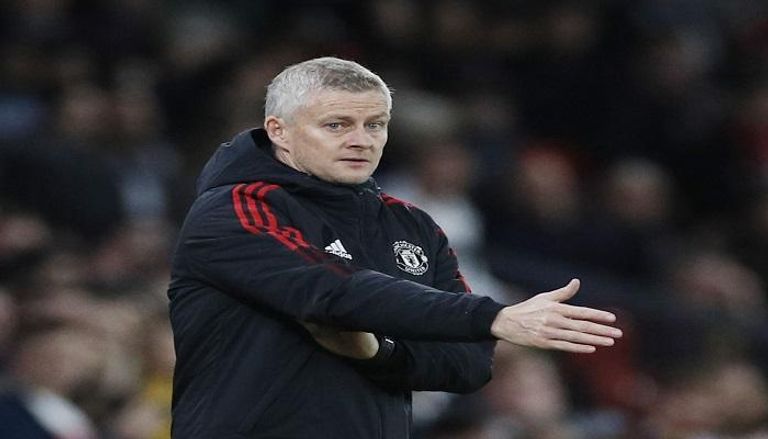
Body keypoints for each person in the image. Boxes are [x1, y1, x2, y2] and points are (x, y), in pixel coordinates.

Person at [167, 56, 622, 439]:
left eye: (375, 124)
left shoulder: (411, 224)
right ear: (279, 131)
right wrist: (492, 316)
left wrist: (379, 353)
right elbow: (331, 291)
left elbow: (467, 363)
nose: (361, 140)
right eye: (337, 124)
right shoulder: (235, 209)